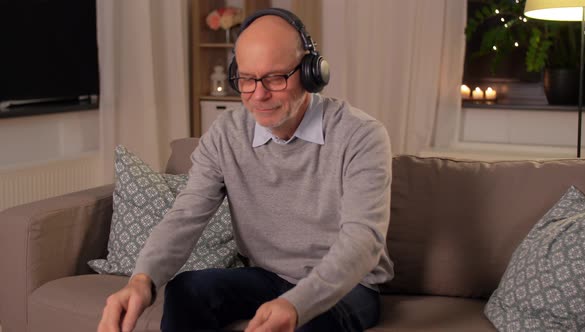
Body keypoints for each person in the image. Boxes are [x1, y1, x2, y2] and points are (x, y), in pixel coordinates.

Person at [98, 8, 394, 332]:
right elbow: (184, 216)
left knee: (309, 322)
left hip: (348, 287)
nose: (259, 95)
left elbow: (362, 241)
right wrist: (143, 279)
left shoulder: (361, 135)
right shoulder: (225, 134)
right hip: (269, 277)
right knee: (186, 290)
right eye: (248, 79)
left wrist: (296, 305)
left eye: (275, 78)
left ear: (311, 71)